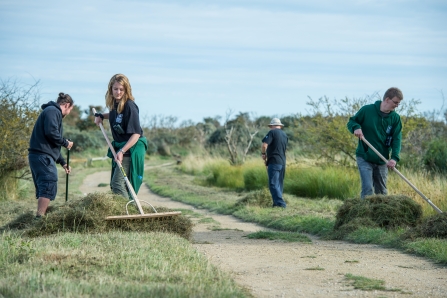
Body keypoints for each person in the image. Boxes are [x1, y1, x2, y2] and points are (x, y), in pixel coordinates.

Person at [94, 74, 147, 199]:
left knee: (117, 183)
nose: (118, 92)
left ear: (126, 90)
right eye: (115, 89)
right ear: (110, 89)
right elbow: (114, 115)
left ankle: (126, 213)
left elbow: (136, 134)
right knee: (118, 184)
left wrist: (122, 151)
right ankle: (128, 211)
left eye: (121, 89)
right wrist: (101, 116)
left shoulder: (130, 106)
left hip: (132, 147)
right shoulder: (114, 104)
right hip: (122, 146)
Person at [347, 87, 403, 199]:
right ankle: (365, 214)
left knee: (381, 192)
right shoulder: (367, 110)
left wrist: (394, 158)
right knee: (367, 189)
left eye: (398, 103)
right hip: (365, 156)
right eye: (395, 102)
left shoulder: (395, 118)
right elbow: (352, 121)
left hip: (382, 159)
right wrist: (356, 127)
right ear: (387, 99)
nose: (397, 105)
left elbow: (396, 139)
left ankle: (381, 215)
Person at [28, 93, 74, 219]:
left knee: (46, 185)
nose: (69, 113)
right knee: (48, 182)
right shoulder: (53, 111)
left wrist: (63, 162)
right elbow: (51, 133)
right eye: (70, 110)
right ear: (67, 105)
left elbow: (51, 144)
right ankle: (39, 218)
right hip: (41, 156)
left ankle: (41, 215)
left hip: (41, 155)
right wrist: (66, 143)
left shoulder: (51, 111)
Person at [261, 118, 288, 208]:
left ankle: (281, 204)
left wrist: (263, 154)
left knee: (273, 183)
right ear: (280, 125)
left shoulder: (272, 132)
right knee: (279, 184)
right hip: (282, 162)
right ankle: (276, 204)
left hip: (274, 161)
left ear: (272, 126)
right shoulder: (284, 135)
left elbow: (264, 145)